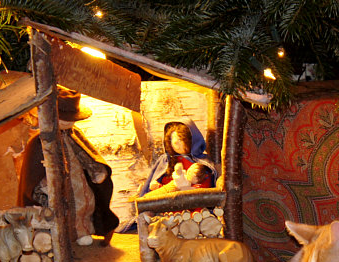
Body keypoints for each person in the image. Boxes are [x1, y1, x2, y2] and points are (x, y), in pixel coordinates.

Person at [18, 87, 119, 246]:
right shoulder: (39, 142)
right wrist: (42, 186)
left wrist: (95, 169)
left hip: (78, 181)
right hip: (55, 187)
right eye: (65, 118)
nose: (70, 122)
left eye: (72, 118)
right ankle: (58, 237)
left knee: (84, 206)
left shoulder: (74, 134)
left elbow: (85, 153)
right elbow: (32, 174)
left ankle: (82, 232)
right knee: (60, 211)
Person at [137, 119, 217, 196]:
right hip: (167, 198)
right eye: (174, 141)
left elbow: (207, 182)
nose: (177, 145)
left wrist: (193, 189)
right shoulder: (166, 160)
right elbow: (157, 180)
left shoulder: (202, 161)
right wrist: (157, 185)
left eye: (181, 140)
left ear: (191, 139)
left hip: (192, 198)